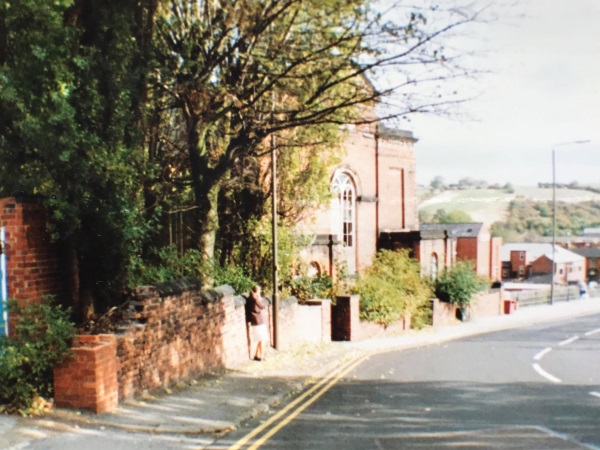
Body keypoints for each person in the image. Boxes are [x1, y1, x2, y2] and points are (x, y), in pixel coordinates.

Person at [247, 285, 268, 361]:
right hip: (259, 321)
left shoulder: (249, 298)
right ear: (257, 291)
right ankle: (261, 356)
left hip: (254, 321)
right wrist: (260, 297)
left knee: (260, 339)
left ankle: (257, 355)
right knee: (262, 339)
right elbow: (263, 306)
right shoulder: (255, 299)